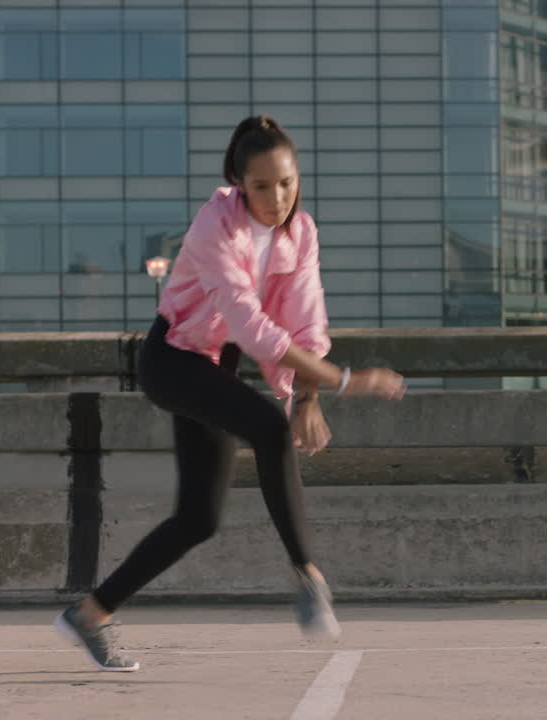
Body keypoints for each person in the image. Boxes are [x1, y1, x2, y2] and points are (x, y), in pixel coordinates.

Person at [53, 115, 406, 672]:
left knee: (199, 519)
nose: (277, 198)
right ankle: (308, 576)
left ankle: (90, 614)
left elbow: (306, 323)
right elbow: (249, 325)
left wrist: (310, 400)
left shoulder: (301, 233)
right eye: (262, 186)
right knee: (268, 427)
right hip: (171, 359)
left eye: (287, 183)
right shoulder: (214, 225)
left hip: (216, 368)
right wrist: (347, 381)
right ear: (239, 183)